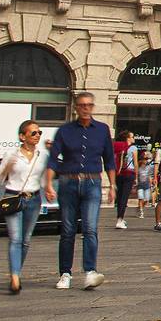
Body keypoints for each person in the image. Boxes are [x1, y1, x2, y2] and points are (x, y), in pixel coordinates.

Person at [44, 91, 115, 291]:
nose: (85, 108)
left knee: (90, 229)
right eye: (82, 105)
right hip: (69, 183)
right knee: (67, 230)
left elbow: (109, 159)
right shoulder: (65, 131)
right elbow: (53, 158)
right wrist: (49, 183)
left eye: (89, 105)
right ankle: (65, 273)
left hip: (92, 183)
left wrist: (113, 185)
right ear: (76, 107)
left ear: (93, 107)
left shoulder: (102, 130)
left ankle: (90, 271)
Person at [0, 120, 48, 294]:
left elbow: (45, 178)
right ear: (22, 136)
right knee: (15, 239)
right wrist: (5, 169)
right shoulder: (12, 155)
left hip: (34, 199)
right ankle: (15, 277)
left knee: (26, 240)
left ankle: (17, 271)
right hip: (14, 198)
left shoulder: (42, 155)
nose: (37, 135)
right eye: (33, 133)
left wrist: (49, 189)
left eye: (39, 132)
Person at [113, 130, 135, 230]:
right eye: (132, 136)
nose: (133, 138)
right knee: (124, 198)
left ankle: (120, 218)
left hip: (118, 173)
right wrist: (136, 176)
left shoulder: (117, 145)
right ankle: (120, 219)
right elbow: (134, 163)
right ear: (128, 138)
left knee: (120, 197)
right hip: (128, 173)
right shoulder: (130, 147)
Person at [134, 145, 155, 217]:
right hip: (140, 185)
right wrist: (135, 181)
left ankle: (140, 207)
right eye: (145, 159)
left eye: (147, 159)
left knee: (146, 200)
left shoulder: (148, 167)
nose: (146, 160)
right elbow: (136, 174)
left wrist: (152, 184)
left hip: (147, 185)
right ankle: (141, 212)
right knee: (141, 198)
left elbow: (149, 176)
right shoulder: (138, 167)